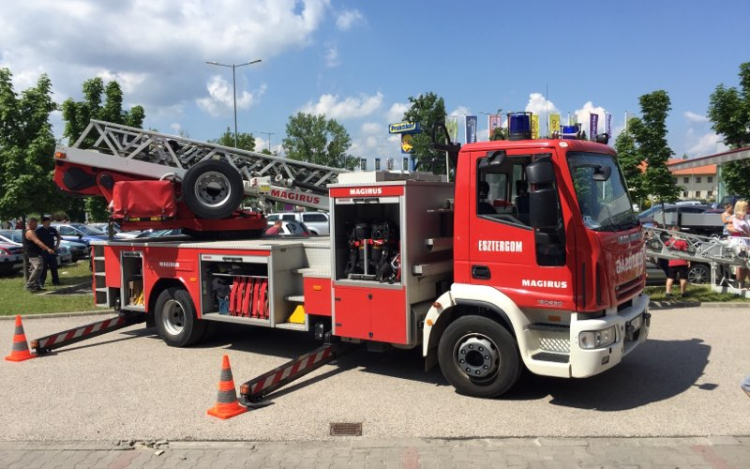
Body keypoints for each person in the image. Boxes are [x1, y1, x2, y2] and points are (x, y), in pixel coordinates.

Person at [23, 218, 55, 292]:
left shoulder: (32, 231)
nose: (36, 225)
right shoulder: (30, 232)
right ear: (30, 223)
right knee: (39, 267)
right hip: (33, 253)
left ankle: (36, 285)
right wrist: (47, 249)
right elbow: (37, 241)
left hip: (36, 252)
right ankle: (29, 285)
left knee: (34, 269)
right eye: (35, 224)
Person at [664, 225, 689, 298]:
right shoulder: (683, 242)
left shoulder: (668, 242)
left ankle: (668, 292)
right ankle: (683, 293)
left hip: (672, 262)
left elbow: (665, 252)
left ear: (671, 233)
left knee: (670, 277)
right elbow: (686, 252)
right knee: (683, 278)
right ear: (679, 232)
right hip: (682, 262)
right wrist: (688, 261)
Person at [36, 216, 61, 287]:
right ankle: (41, 282)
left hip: (52, 251)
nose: (48, 224)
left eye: (49, 222)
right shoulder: (39, 231)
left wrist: (56, 246)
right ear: (43, 223)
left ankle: (56, 281)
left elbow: (58, 236)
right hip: (43, 252)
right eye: (47, 222)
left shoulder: (52, 230)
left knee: (54, 266)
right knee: (43, 268)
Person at [731, 200, 750, 289]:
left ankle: (741, 284)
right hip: (741, 243)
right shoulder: (738, 218)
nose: (748, 208)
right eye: (746, 206)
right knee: (743, 264)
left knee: (745, 265)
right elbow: (744, 230)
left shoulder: (743, 218)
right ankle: (740, 284)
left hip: (745, 241)